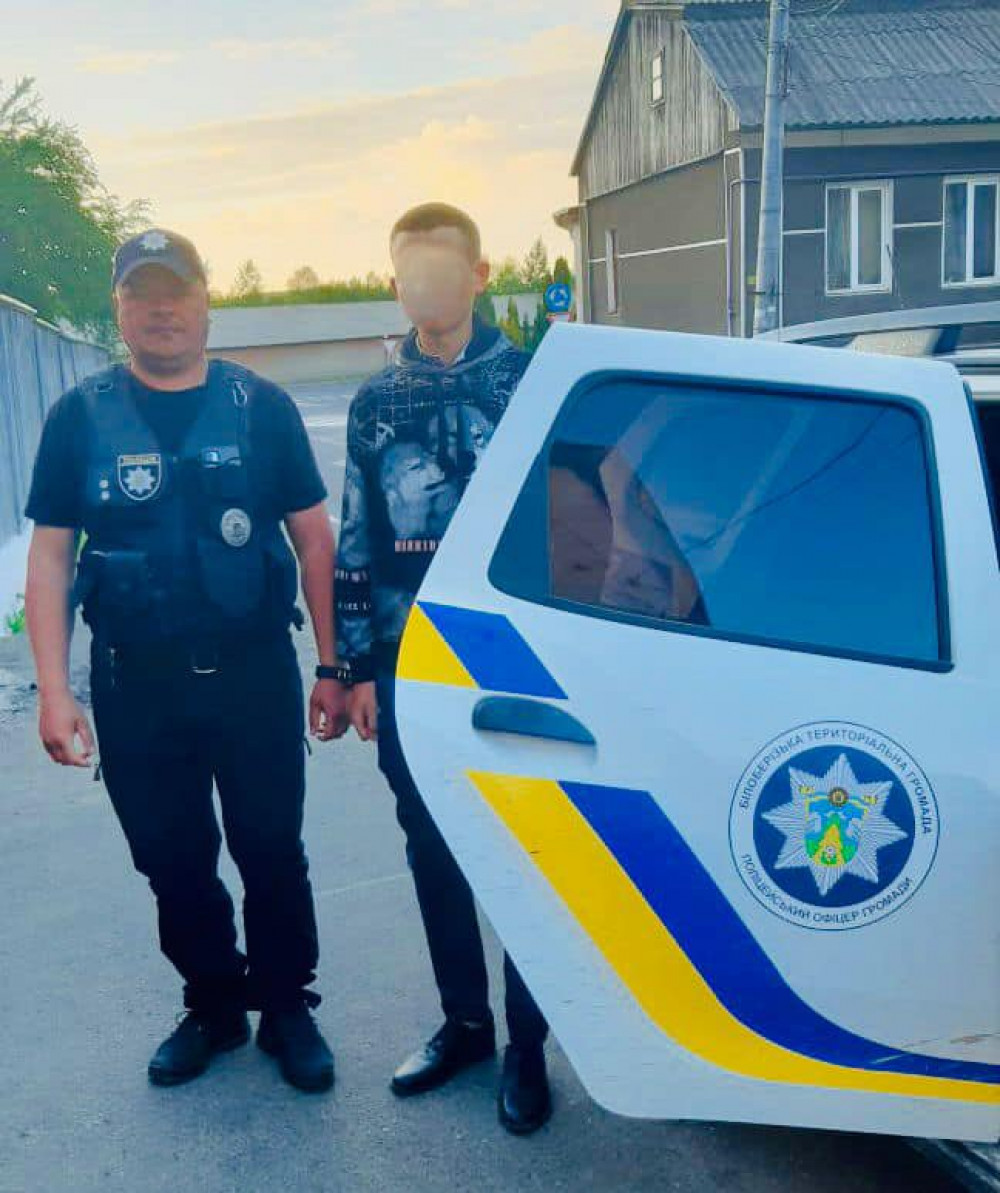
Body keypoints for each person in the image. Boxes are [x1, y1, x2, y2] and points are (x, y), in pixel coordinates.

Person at [24, 229, 350, 1093]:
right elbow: (51, 556)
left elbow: (314, 540)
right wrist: (55, 690)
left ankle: (286, 1004)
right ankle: (213, 1003)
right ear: (119, 308)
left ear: (207, 301)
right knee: (170, 857)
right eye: (142, 293)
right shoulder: (80, 417)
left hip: (251, 675)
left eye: (177, 290)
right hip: (137, 684)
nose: (161, 308)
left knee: (270, 846)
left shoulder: (261, 408)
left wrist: (331, 665)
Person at [335, 203, 551, 1134]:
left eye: (441, 269)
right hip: (409, 664)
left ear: (478, 274)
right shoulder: (376, 402)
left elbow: (582, 523)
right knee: (433, 847)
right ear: (396, 285)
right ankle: (465, 1023)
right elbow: (357, 536)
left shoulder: (535, 384)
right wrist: (355, 668)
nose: (424, 288)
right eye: (408, 274)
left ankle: (529, 1043)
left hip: (516, 664)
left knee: (529, 854)